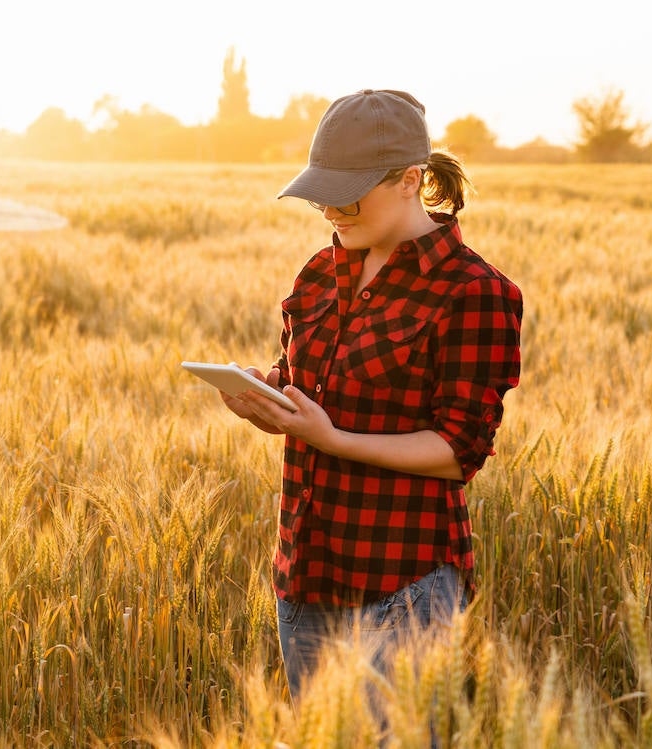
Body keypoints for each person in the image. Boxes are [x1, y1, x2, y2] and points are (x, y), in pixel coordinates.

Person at [220, 89, 522, 700]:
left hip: (401, 585)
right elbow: (306, 381)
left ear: (411, 180)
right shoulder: (317, 273)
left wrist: (330, 438)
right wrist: (268, 396)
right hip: (304, 575)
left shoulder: (473, 291)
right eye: (320, 193)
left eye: (348, 193)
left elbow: (457, 451)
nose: (332, 208)